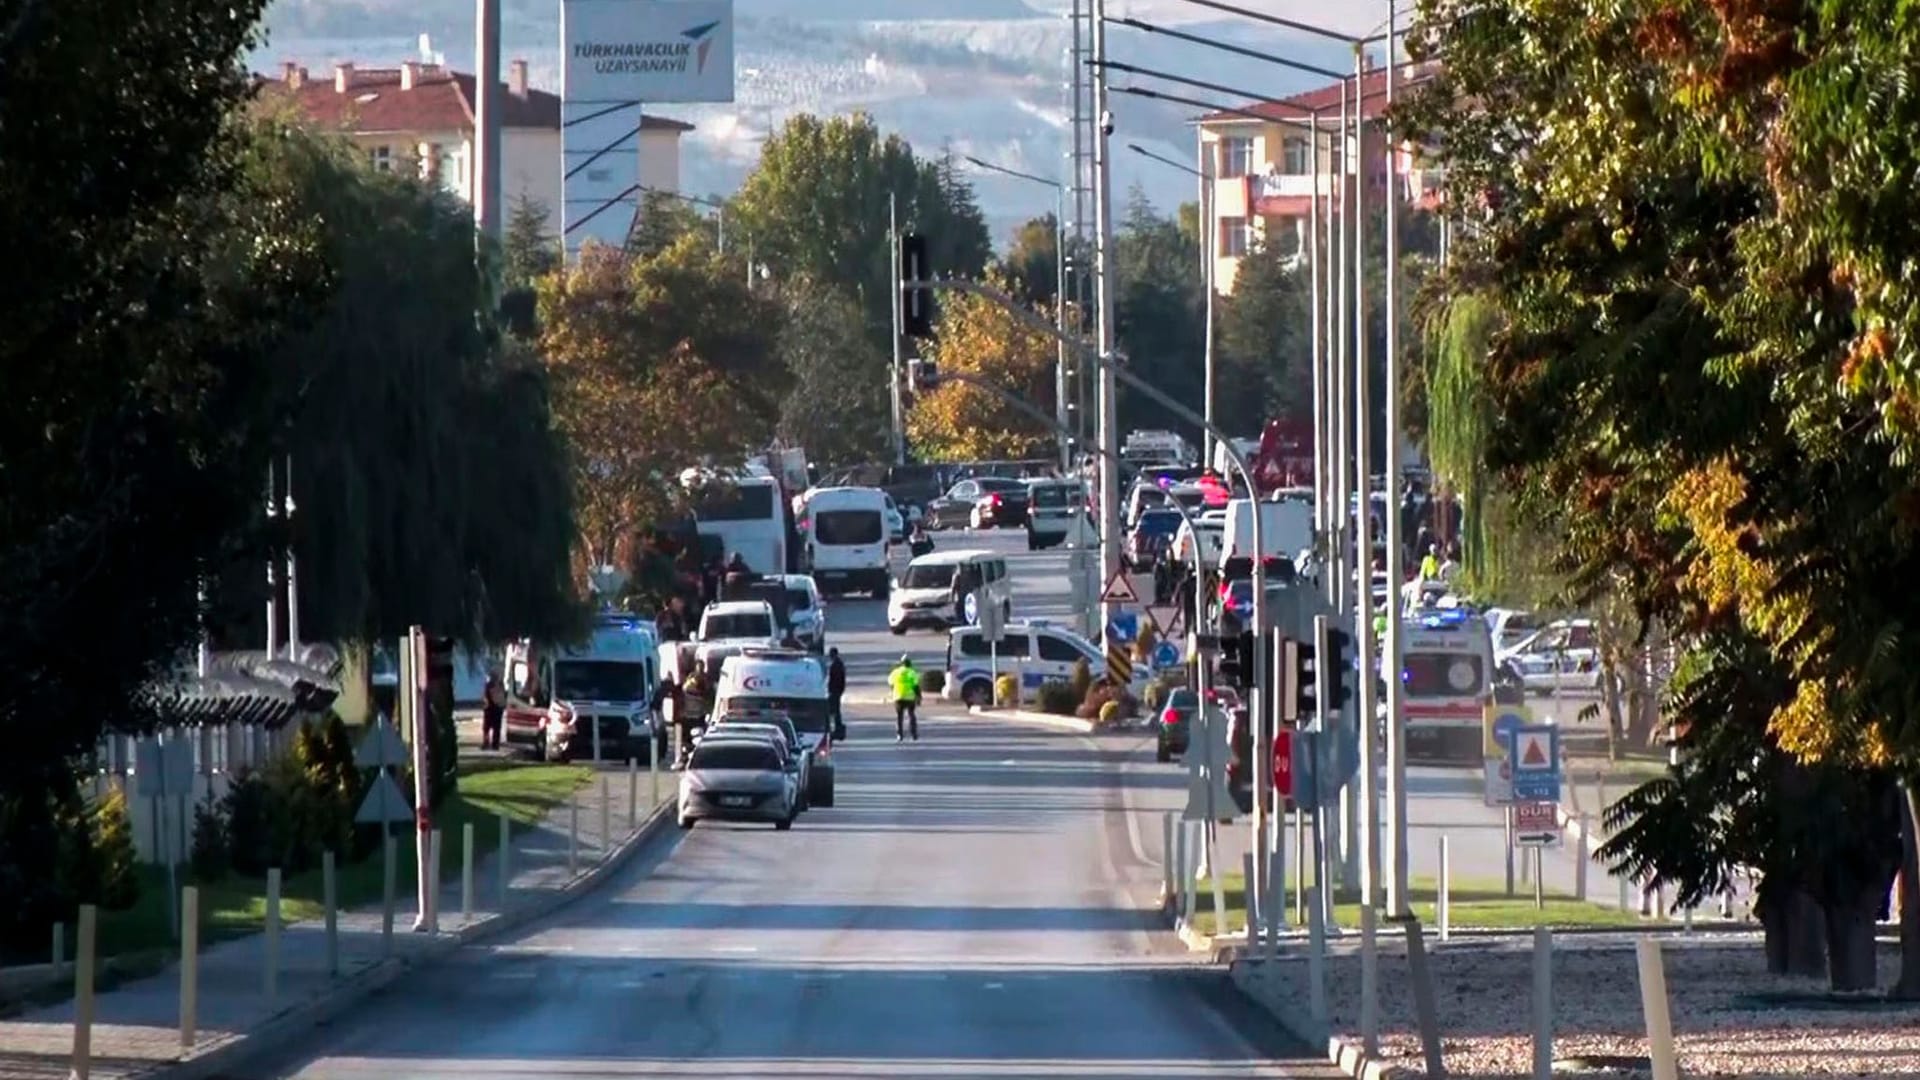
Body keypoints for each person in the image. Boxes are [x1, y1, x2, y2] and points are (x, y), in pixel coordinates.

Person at [888, 654, 921, 742]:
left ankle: (899, 735)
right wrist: (919, 697)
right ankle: (914, 734)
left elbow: (891, 683)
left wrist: (894, 691)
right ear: (909, 663)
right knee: (911, 715)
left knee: (899, 716)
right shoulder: (912, 672)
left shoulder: (895, 672)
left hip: (898, 697)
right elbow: (916, 686)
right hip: (910, 697)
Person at [480, 673, 507, 751]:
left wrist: (485, 704)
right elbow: (502, 696)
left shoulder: (489, 685)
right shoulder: (500, 685)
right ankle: (495, 744)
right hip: (497, 708)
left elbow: (486, 696)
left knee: (487, 728)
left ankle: (487, 743)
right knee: (496, 728)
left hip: (490, 709)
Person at [826, 647, 848, 741]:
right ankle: (837, 729)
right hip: (837, 690)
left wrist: (831, 690)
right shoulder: (839, 664)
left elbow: (834, 679)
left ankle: (836, 730)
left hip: (835, 690)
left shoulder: (836, 665)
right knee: (836, 711)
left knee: (833, 711)